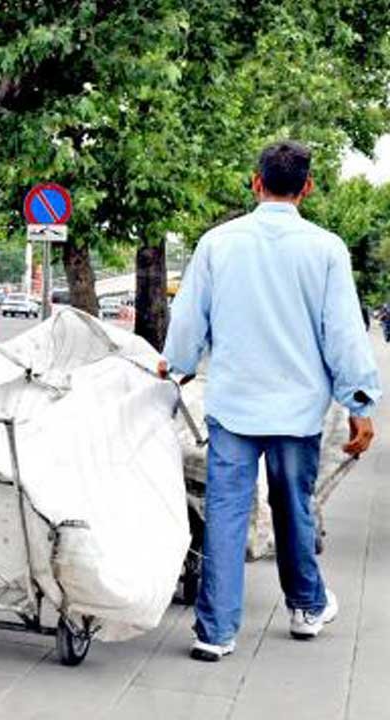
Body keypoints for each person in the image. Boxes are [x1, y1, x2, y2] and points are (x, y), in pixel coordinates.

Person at [162, 140, 381, 663]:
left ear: (256, 183)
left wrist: (176, 363)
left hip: (234, 403)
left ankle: (214, 632)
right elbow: (344, 334)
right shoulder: (327, 249)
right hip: (298, 409)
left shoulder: (217, 243)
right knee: (292, 507)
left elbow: (190, 321)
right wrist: (359, 404)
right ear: (306, 188)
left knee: (226, 512)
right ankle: (306, 607)